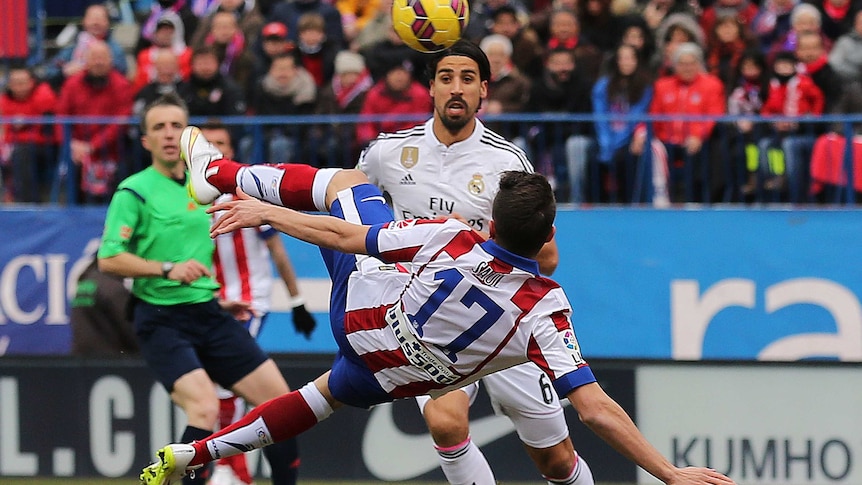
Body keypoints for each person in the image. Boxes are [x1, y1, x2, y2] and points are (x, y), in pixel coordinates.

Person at [138, 122, 737, 485]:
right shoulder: (546, 308)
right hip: (394, 376)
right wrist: (669, 473)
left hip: (365, 318)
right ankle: (195, 455)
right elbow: (598, 409)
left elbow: (347, 236)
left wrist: (268, 213)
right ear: (547, 234)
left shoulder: (453, 236)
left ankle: (218, 172)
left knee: (351, 189)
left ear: (493, 220)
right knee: (318, 401)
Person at [349, 40, 581, 485]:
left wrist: (469, 241)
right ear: (431, 89)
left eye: (468, 79)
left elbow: (546, 258)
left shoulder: (507, 162)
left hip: (502, 317)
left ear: (483, 92)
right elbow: (352, 209)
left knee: (556, 461)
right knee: (447, 423)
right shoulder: (385, 154)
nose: (457, 89)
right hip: (432, 319)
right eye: (446, 78)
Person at [97, 93, 300, 485]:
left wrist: (217, 299)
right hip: (160, 320)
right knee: (204, 409)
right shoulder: (134, 191)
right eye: (159, 127)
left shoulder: (202, 186)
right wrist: (166, 269)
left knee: (282, 408)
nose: (169, 134)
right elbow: (109, 259)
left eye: (177, 126)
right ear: (146, 141)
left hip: (206, 311)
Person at [203, 121, 317, 485]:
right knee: (231, 386)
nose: (214, 151)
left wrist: (297, 299)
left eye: (220, 145)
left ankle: (231, 469)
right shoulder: (189, 199)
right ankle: (241, 464)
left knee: (226, 381)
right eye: (207, 146)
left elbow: (277, 251)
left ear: (231, 152)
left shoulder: (245, 195)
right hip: (210, 304)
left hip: (248, 303)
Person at [55, 40, 133, 205]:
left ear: (111, 61)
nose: (98, 62)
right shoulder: (72, 84)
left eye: (102, 58)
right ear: (85, 61)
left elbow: (121, 122)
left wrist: (92, 146)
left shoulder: (122, 85)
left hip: (111, 151)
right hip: (76, 151)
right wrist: (70, 145)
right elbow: (60, 118)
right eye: (94, 57)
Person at [70, 256, 138, 357]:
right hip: (111, 365)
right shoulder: (113, 290)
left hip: (84, 362)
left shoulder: (87, 282)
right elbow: (135, 334)